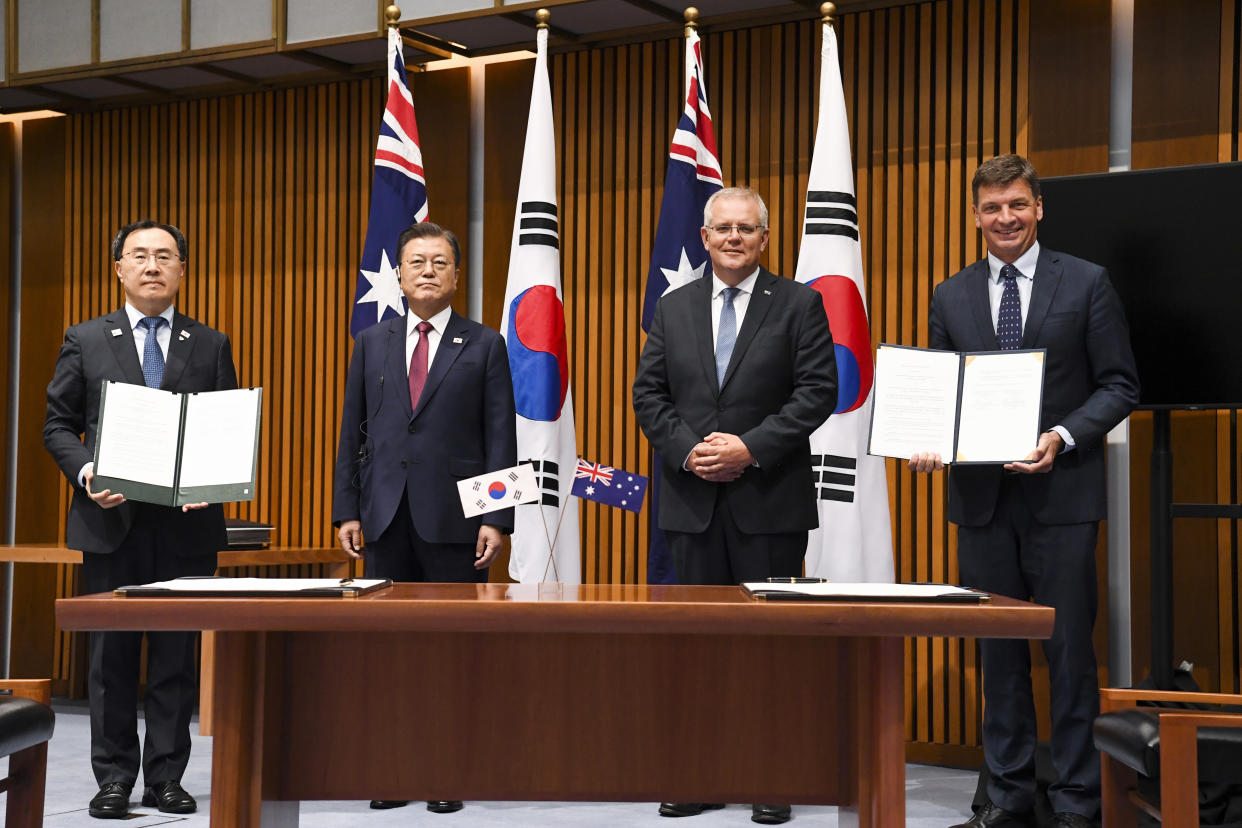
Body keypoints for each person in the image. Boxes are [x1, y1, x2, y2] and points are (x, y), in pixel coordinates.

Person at [908, 154, 1139, 828]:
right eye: (990, 207)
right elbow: (941, 397)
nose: (1003, 217)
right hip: (981, 507)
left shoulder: (1088, 284)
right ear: (975, 215)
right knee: (997, 657)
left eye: (1016, 204)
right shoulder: (949, 294)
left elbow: (1120, 383)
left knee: (1069, 655)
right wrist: (929, 441)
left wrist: (1063, 435)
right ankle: (1008, 801)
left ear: (1038, 208)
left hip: (1062, 500)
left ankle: (1075, 803)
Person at [632, 187, 838, 826]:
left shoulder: (800, 304)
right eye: (723, 228)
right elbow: (649, 396)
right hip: (692, 504)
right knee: (698, 648)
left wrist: (748, 448)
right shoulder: (673, 307)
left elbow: (818, 393)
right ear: (704, 235)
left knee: (768, 648)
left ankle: (770, 775)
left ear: (764, 238)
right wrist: (691, 449)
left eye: (746, 229)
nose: (733, 238)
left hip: (768, 504)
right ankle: (699, 774)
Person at [43, 220, 238, 819]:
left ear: (182, 270)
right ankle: (112, 779)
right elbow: (58, 425)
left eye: (165, 256)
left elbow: (223, 427)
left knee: (177, 659)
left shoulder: (209, 344)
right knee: (111, 660)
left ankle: (165, 779)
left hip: (187, 527)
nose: (152, 266)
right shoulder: (85, 338)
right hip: (110, 523)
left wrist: (213, 477)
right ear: (119, 269)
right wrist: (87, 473)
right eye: (139, 256)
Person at [331, 221, 516, 815]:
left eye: (440, 262)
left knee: (450, 650)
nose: (428, 271)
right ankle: (392, 767)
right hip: (384, 518)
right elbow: (351, 433)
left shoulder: (484, 344)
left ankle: (448, 768)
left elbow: (500, 437)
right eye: (417, 262)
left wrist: (498, 519)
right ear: (400, 274)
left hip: (455, 522)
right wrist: (347, 509)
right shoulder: (371, 341)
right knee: (387, 652)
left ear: (456, 275)